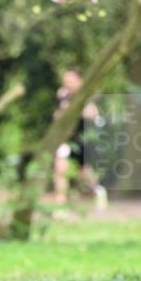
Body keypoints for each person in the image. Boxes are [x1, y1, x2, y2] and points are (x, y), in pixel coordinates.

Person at [53, 68, 107, 210]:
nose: (68, 83)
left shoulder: (85, 96)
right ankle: (60, 204)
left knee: (84, 172)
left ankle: (98, 191)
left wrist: (73, 109)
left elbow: (92, 114)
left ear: (79, 81)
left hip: (82, 139)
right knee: (60, 168)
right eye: (66, 80)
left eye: (71, 80)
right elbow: (57, 116)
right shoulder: (62, 96)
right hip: (66, 139)